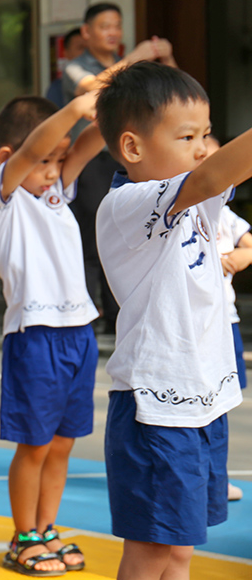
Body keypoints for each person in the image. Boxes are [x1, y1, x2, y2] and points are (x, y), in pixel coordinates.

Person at [95, 62, 246, 580]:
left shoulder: (196, 203)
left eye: (206, 134)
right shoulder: (127, 204)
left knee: (181, 550)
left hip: (203, 399)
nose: (204, 147)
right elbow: (211, 174)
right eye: (187, 136)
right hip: (156, 407)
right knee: (151, 553)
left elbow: (214, 177)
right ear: (133, 147)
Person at [0, 94, 105, 575]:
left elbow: (90, 143)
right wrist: (75, 106)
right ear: (9, 156)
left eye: (58, 160)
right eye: (45, 160)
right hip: (36, 335)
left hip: (78, 332)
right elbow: (32, 153)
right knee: (36, 444)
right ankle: (23, 534)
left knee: (65, 442)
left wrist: (113, 98)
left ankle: (46, 528)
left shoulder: (54, 191)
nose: (53, 170)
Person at [63, 3, 178, 335]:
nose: (112, 32)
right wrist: (140, 55)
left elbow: (173, 93)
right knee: (90, 238)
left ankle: (119, 313)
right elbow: (96, 89)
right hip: (90, 161)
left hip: (127, 159)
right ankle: (89, 311)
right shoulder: (75, 66)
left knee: (127, 236)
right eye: (104, 26)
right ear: (86, 32)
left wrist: (164, 59)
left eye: (117, 25)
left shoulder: (127, 66)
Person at [204, 135, 249, 503]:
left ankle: (215, 478)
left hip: (226, 320)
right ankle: (203, 478)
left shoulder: (225, 214)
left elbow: (248, 242)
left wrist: (237, 258)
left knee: (221, 403)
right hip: (198, 325)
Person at [44, 29, 87, 108]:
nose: (86, 52)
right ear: (66, 53)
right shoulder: (56, 89)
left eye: (88, 48)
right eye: (80, 47)